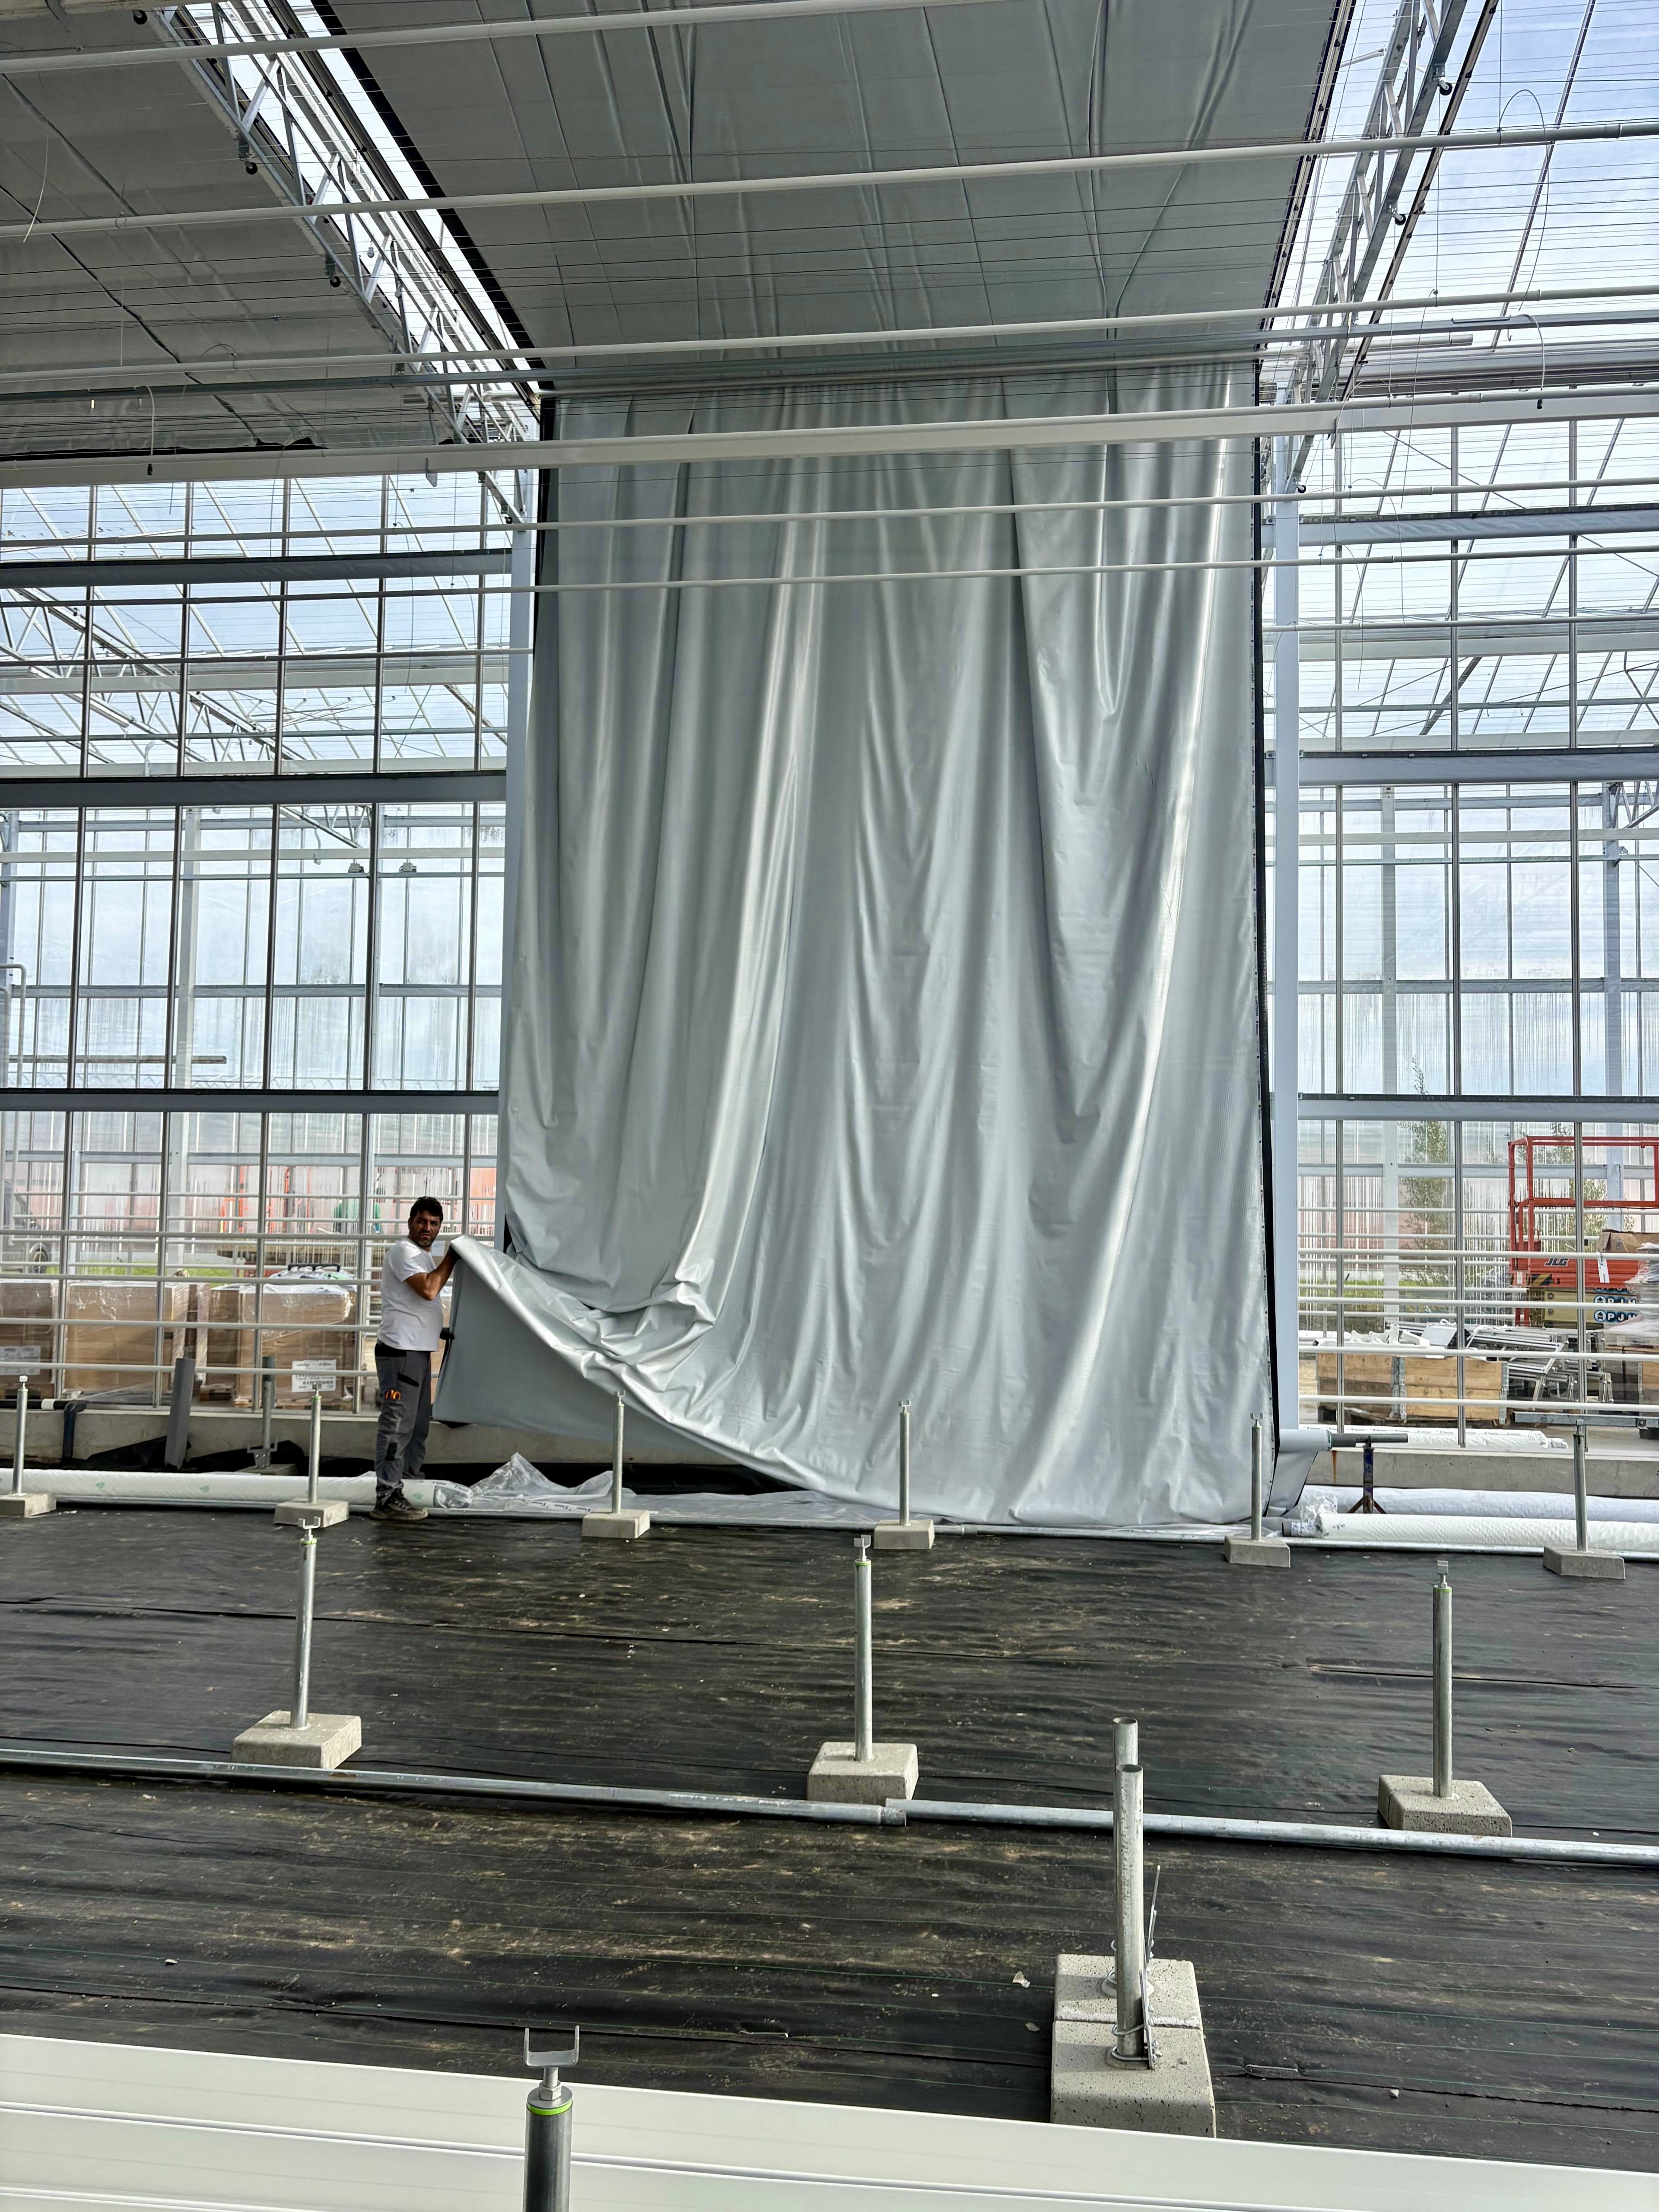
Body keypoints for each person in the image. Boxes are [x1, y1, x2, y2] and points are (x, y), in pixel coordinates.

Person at [372, 1195, 456, 1523]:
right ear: (410, 1223)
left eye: (434, 1223)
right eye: (422, 1221)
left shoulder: (422, 1256)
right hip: (400, 1354)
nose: (427, 1228)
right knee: (397, 1425)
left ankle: (410, 1485)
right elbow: (429, 1291)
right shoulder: (404, 1252)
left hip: (417, 1353)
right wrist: (453, 1257)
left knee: (417, 1426)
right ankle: (387, 1496)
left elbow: (420, 1305)